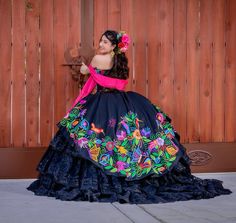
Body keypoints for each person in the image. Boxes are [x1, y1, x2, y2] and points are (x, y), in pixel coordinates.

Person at [27, 30, 231, 203]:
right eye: (100, 41)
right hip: (123, 102)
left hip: (101, 103)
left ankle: (105, 176)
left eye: (105, 42)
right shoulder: (120, 60)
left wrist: (85, 69)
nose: (100, 44)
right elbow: (118, 83)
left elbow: (93, 76)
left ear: (114, 46)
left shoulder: (98, 59)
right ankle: (135, 171)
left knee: (92, 138)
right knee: (128, 136)